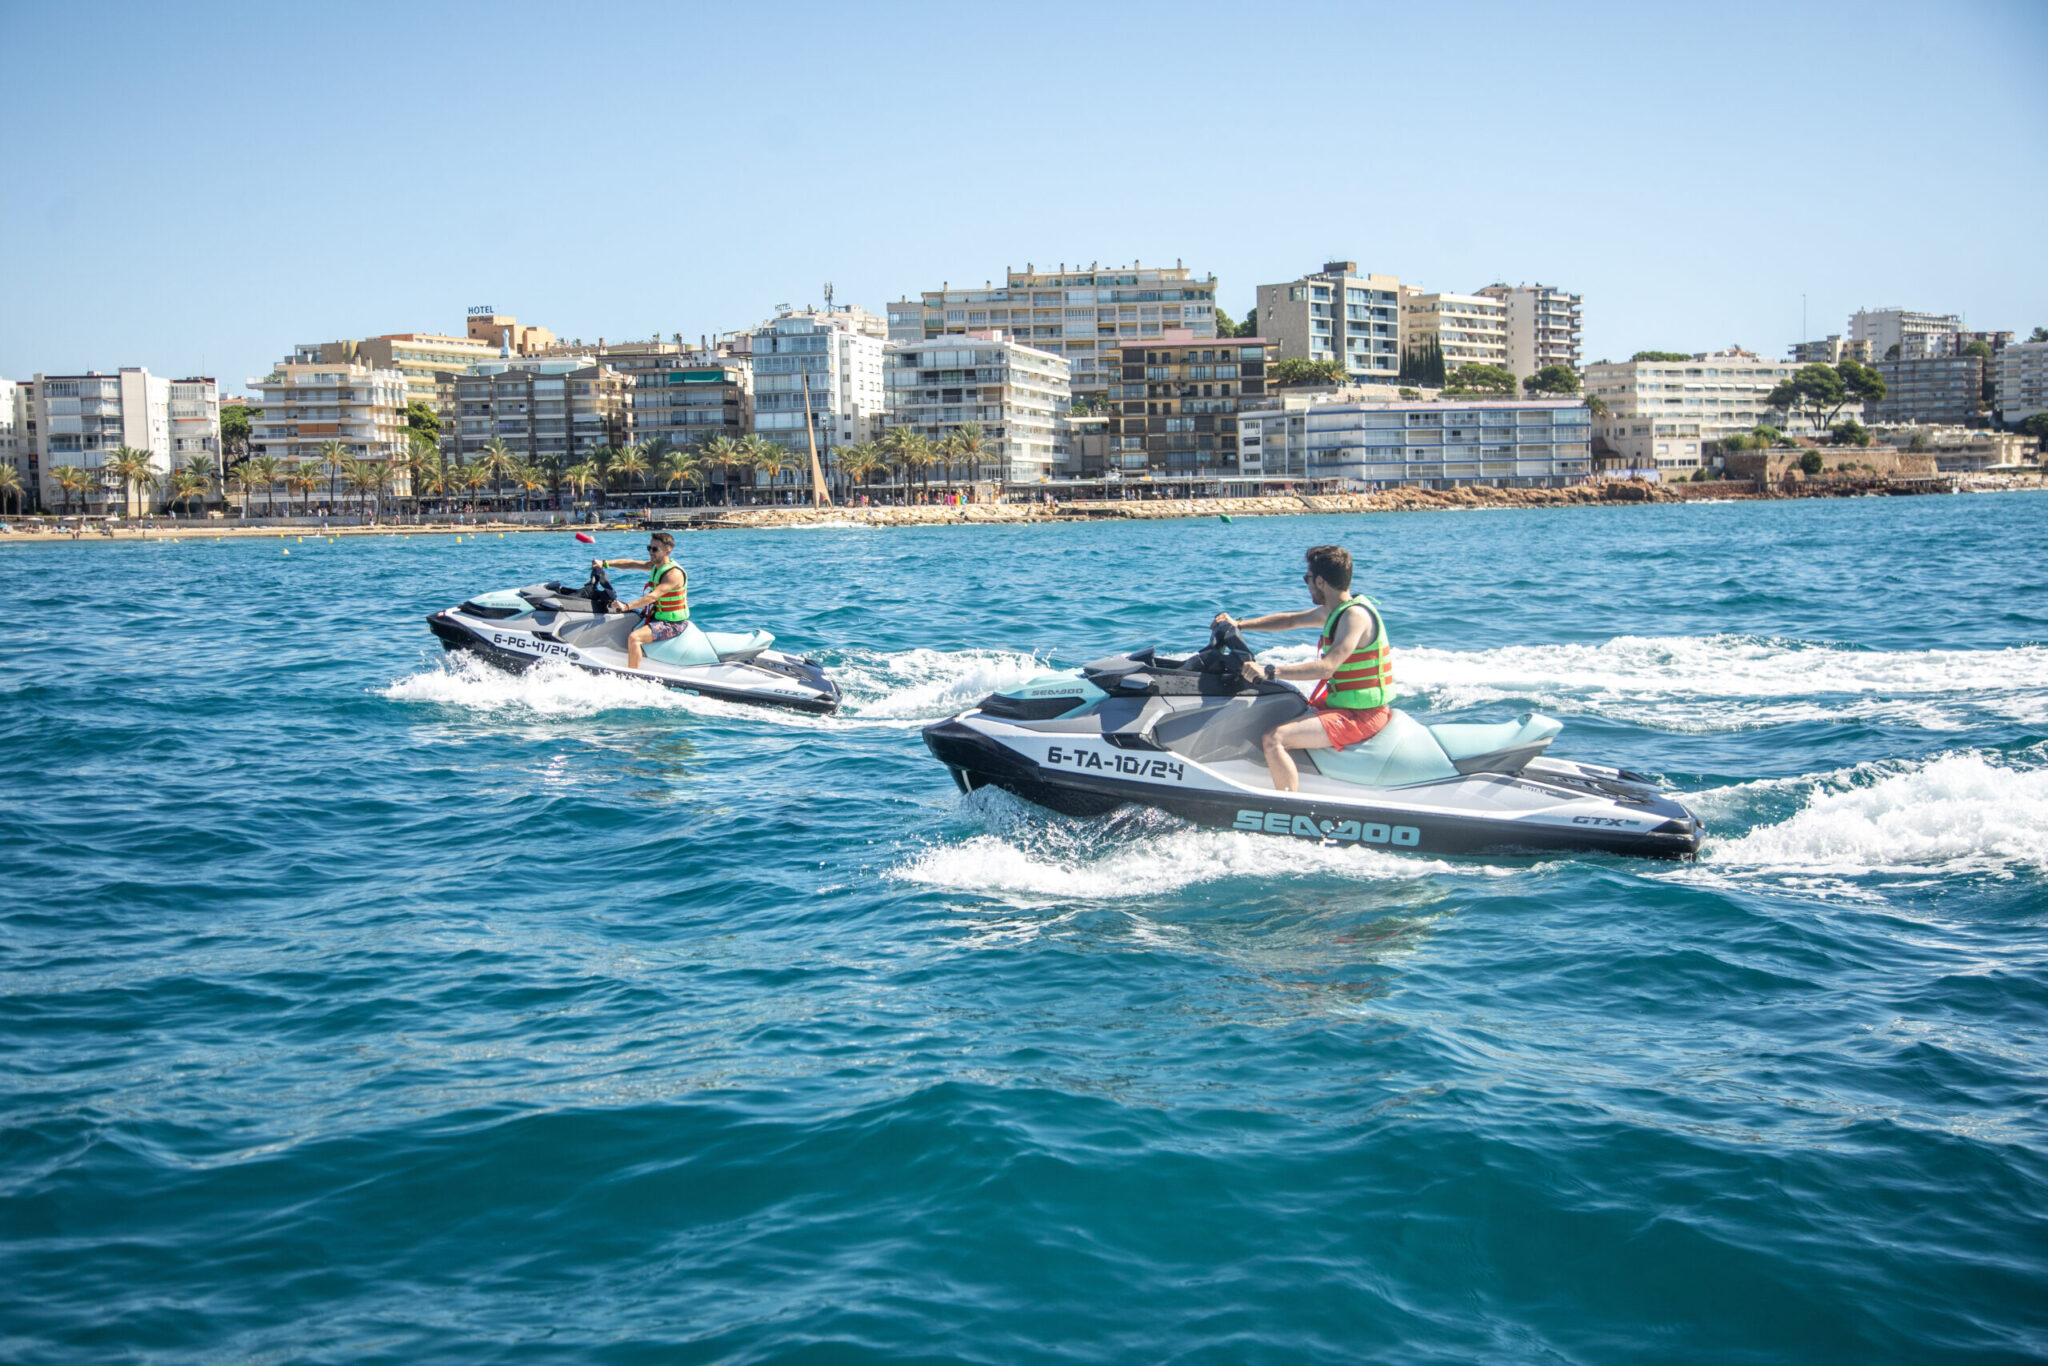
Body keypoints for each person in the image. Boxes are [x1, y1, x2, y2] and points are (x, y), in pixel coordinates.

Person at [1213, 544, 1395, 793]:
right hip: (1344, 707)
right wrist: (1239, 625)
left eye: (1306, 578)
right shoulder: (1335, 611)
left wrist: (1270, 671)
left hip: (1363, 715)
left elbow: (1327, 668)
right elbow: (1291, 620)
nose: (1306, 583)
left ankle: (1286, 809)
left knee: (1274, 738)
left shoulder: (1355, 617)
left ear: (1320, 581)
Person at [593, 531, 690, 670]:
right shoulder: (656, 566)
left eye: (655, 549)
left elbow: (652, 597)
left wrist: (627, 606)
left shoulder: (673, 574)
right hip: (657, 617)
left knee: (634, 638)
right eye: (649, 548)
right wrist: (605, 563)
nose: (650, 552)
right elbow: (630, 564)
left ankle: (633, 676)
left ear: (668, 550)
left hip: (672, 624)